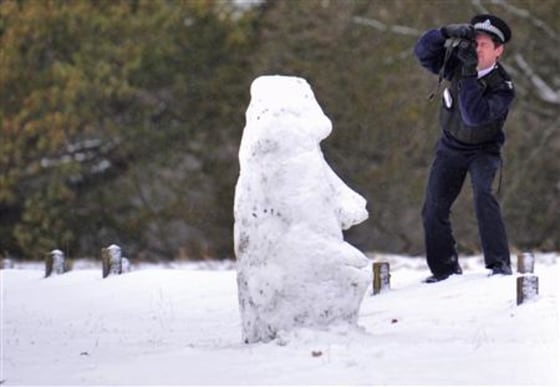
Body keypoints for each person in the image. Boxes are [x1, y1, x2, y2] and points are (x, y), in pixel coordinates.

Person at [413, 14, 515, 283]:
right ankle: (444, 269)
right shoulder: (457, 65)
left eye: (483, 45)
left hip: (484, 150)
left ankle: (499, 265)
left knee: (484, 196)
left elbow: (474, 116)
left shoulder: (502, 87)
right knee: (433, 208)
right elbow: (422, 53)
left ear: (498, 50)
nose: (476, 49)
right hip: (450, 147)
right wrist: (443, 33)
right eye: (474, 42)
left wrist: (469, 76)